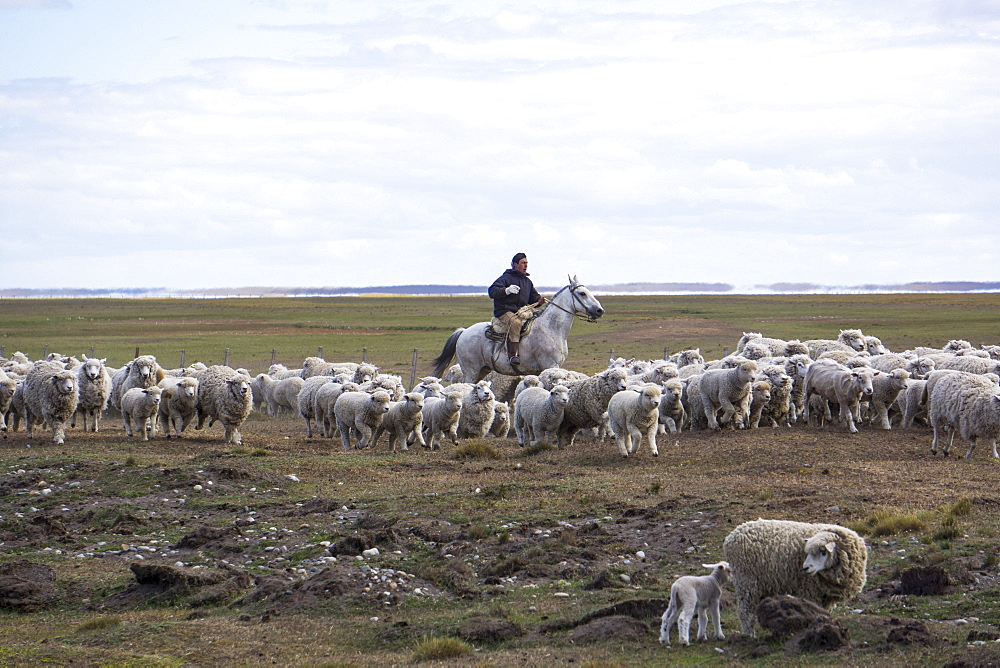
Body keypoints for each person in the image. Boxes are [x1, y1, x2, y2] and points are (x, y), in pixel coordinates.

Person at [488, 252, 544, 367]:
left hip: (520, 311)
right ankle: (513, 355)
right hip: (504, 311)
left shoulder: (527, 282)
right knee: (516, 323)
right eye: (523, 263)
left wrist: (539, 300)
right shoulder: (505, 278)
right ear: (515, 264)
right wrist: (506, 291)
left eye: (526, 263)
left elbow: (533, 297)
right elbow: (492, 291)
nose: (526, 266)